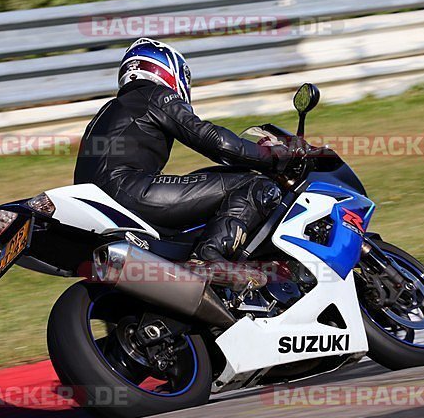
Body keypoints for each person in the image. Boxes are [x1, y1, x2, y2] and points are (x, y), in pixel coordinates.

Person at [74, 37, 291, 262]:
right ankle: (211, 254)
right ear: (167, 69)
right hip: (129, 191)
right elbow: (214, 141)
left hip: (100, 200)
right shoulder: (154, 95)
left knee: (212, 179)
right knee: (253, 184)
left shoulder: (107, 111)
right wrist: (273, 157)